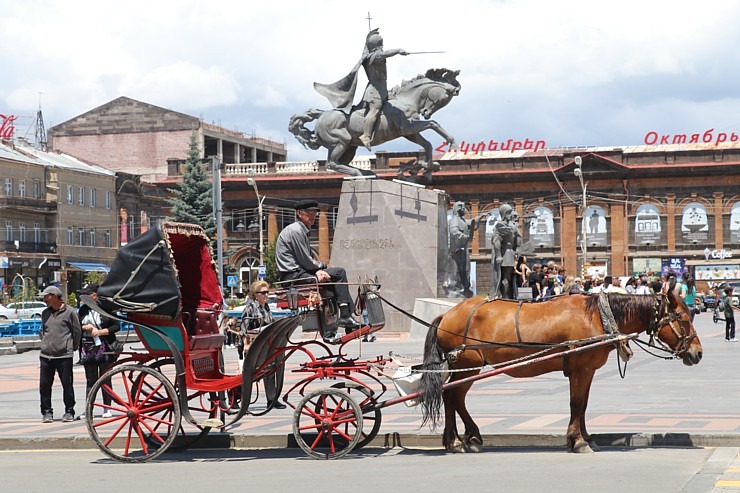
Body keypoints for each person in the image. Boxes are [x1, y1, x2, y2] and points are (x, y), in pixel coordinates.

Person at [275, 199, 360, 344]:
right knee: (339, 273)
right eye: (310, 212)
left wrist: (319, 270)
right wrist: (321, 267)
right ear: (299, 214)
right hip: (293, 276)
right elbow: (305, 260)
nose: (313, 215)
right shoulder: (296, 230)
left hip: (298, 272)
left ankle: (340, 324)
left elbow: (306, 260)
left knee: (334, 285)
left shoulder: (302, 230)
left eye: (315, 212)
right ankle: (345, 316)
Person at [38, 285, 82, 423]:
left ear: (55, 296)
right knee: (44, 385)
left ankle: (69, 411)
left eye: (47, 296)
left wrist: (72, 347)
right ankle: (46, 412)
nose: (45, 299)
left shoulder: (70, 312)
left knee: (67, 384)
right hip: (46, 355)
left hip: (64, 355)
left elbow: (77, 331)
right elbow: (44, 331)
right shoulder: (45, 313)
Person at [240, 280, 286, 409]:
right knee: (262, 370)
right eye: (263, 293)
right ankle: (245, 397)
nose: (266, 295)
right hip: (256, 346)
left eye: (267, 292)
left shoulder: (266, 308)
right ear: (255, 294)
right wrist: (246, 345)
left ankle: (273, 398)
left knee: (276, 365)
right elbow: (244, 329)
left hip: (267, 344)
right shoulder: (250, 308)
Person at [77, 283, 119, 420]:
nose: (82, 298)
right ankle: (89, 408)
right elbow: (77, 325)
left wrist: (101, 332)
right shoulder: (82, 310)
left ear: (94, 296)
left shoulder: (106, 308)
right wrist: (85, 327)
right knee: (91, 379)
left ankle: (107, 407)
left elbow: (116, 326)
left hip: (105, 345)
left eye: (86, 295)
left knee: (105, 378)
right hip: (88, 346)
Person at [448, 201, 485, 298]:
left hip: (463, 250)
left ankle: (465, 288)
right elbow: (454, 231)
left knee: (466, 270)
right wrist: (465, 237)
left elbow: (471, 223)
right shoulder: (455, 220)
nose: (465, 210)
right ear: (458, 209)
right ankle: (456, 289)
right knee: (457, 270)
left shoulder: (462, 220)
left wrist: (479, 217)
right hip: (457, 250)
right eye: (463, 208)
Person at [491, 204, 520, 299]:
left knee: (509, 277)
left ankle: (508, 296)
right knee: (505, 278)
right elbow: (496, 241)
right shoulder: (501, 225)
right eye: (509, 212)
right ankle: (505, 297)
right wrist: (499, 255)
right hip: (505, 254)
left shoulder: (509, 225)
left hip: (510, 253)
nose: (511, 214)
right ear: (504, 213)